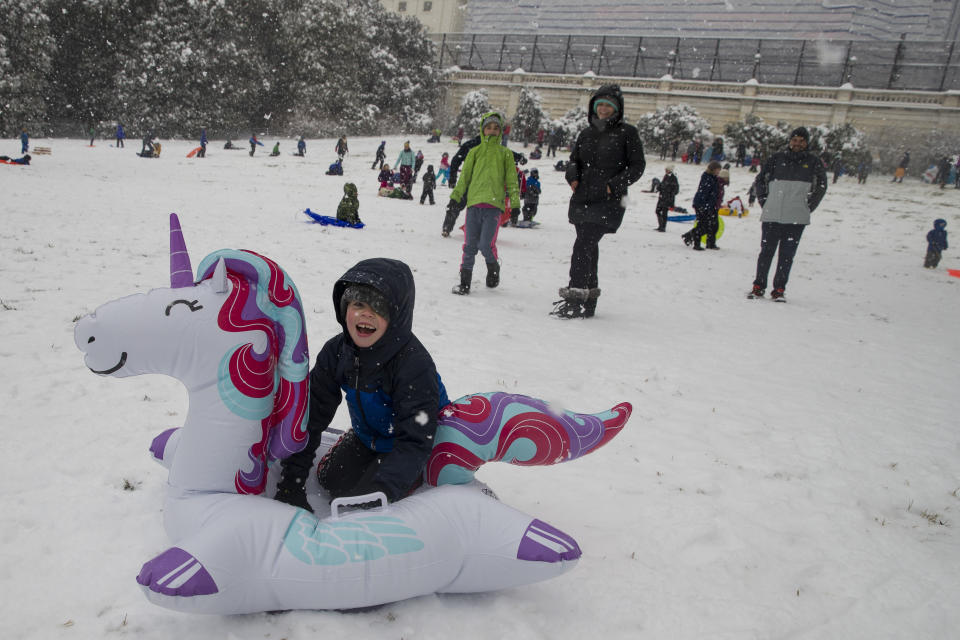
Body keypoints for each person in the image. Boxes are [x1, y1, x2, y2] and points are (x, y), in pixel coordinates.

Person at [272, 258, 449, 512]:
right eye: (358, 304)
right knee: (332, 482)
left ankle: (414, 479)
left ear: (396, 316)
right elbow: (310, 416)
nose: (366, 313)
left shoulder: (413, 365)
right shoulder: (337, 352)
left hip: (411, 441)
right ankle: (367, 452)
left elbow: (416, 439)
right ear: (345, 308)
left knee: (360, 504)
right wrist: (292, 480)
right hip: (368, 436)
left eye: (379, 307)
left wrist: (382, 490)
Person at [551, 84, 645, 319]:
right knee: (588, 246)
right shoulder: (587, 133)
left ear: (617, 109)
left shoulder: (627, 133)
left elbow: (637, 166)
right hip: (583, 197)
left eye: (608, 105)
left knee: (583, 245)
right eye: (600, 104)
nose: (603, 109)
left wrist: (613, 185)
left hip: (609, 200)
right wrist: (572, 177)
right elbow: (574, 161)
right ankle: (589, 301)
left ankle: (574, 298)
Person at [748, 126, 828, 301]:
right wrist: (764, 201)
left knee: (787, 255)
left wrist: (808, 206)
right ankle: (758, 285)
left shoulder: (813, 162)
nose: (797, 144)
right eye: (794, 140)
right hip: (772, 214)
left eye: (801, 141)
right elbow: (760, 180)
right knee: (766, 252)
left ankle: (779, 289)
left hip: (796, 218)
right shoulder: (777, 158)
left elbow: (822, 186)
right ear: (790, 141)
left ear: (806, 143)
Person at [447, 111, 520, 294]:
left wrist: (516, 204)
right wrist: (456, 197)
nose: (492, 131)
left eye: (496, 128)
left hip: (494, 207)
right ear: (482, 129)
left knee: (486, 245)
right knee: (470, 245)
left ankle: (493, 266)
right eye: (488, 127)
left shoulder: (506, 154)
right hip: (474, 205)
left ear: (501, 131)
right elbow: (464, 178)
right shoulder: (474, 152)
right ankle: (465, 282)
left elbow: (512, 181)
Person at [443, 136, 525, 237]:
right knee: (463, 204)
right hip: (474, 183)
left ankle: (451, 227)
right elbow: (456, 160)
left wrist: (519, 157)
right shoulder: (473, 146)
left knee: (469, 206)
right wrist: (452, 178)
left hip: (481, 184)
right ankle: (448, 227)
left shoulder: (476, 145)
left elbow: (506, 153)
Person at [684, 161, 722, 250]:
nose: (718, 172)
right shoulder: (707, 178)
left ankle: (706, 242)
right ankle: (695, 243)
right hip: (702, 205)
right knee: (702, 225)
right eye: (718, 170)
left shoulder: (713, 178)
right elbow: (704, 193)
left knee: (710, 225)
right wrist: (705, 206)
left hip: (709, 205)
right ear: (713, 169)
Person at [655, 164, 679, 232]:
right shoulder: (665, 176)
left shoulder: (674, 178)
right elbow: (662, 185)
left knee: (664, 213)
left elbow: (676, 190)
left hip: (668, 199)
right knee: (657, 211)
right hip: (662, 198)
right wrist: (658, 187)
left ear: (670, 170)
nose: (665, 170)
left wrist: (670, 194)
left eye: (666, 169)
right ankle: (660, 226)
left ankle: (663, 227)